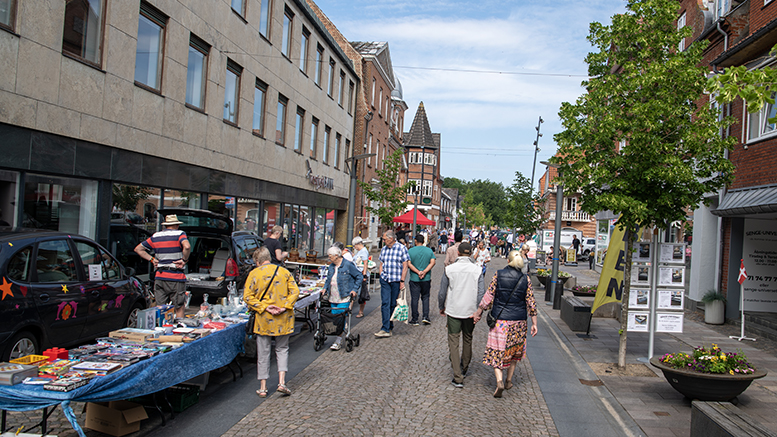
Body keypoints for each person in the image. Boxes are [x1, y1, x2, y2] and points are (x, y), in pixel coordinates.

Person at [474, 249, 538, 398]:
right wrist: (534, 323)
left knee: (497, 351)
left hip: (500, 321)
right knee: (513, 352)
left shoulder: (498, 275)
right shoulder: (525, 279)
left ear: (507, 261)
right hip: (519, 322)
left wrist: (478, 312)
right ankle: (509, 380)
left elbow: (488, 296)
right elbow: (531, 303)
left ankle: (499, 380)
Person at [244, 246, 300, 397]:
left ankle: (263, 387)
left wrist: (265, 307)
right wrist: (284, 306)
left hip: (264, 319)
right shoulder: (284, 272)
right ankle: (281, 382)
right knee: (282, 349)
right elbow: (295, 291)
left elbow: (248, 297)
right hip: (283, 318)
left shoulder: (254, 274)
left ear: (258, 261)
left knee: (263, 352)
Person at [438, 242, 484, 388]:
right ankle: (464, 368)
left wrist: (441, 306)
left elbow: (441, 292)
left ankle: (457, 375)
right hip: (470, 310)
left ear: (458, 253)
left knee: (453, 340)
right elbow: (481, 292)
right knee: (468, 338)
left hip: (453, 309)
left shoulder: (449, 269)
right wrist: (478, 310)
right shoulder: (477, 270)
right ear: (471, 254)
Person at [134, 214, 191, 318]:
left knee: (161, 307)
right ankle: (179, 329)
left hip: (160, 276)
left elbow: (138, 249)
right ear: (177, 225)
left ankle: (161, 329)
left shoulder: (156, 236)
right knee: (179, 306)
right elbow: (187, 246)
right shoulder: (180, 234)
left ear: (165, 225)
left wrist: (152, 259)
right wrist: (184, 260)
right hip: (176, 277)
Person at [324, 246, 361, 350]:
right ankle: (341, 332)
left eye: (330, 256)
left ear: (336, 256)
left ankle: (338, 341)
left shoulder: (348, 265)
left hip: (344, 296)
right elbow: (328, 279)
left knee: (340, 317)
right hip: (333, 296)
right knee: (335, 317)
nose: (329, 258)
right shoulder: (331, 266)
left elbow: (359, 276)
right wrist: (324, 289)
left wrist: (354, 289)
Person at [376, 230, 409, 338]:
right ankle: (385, 328)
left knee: (392, 304)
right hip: (385, 279)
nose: (383, 241)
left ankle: (389, 326)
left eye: (384, 239)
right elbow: (381, 263)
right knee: (385, 303)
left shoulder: (401, 248)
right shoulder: (384, 249)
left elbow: (405, 265)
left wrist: (402, 281)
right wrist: (381, 275)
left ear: (391, 239)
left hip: (396, 280)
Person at [407, 234, 436, 326]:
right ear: (423, 241)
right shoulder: (429, 250)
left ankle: (415, 318)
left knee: (414, 298)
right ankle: (425, 316)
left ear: (415, 241)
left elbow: (409, 263)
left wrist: (418, 272)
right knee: (425, 297)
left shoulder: (410, 251)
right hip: (426, 278)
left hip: (414, 278)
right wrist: (424, 271)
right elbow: (433, 262)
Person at [352, 237, 371, 318]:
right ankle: (353, 309)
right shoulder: (360, 251)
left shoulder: (363, 251)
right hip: (358, 274)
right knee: (357, 292)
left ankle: (360, 311)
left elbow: (365, 263)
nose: (354, 247)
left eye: (354, 246)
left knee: (361, 293)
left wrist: (364, 275)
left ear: (357, 244)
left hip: (360, 275)